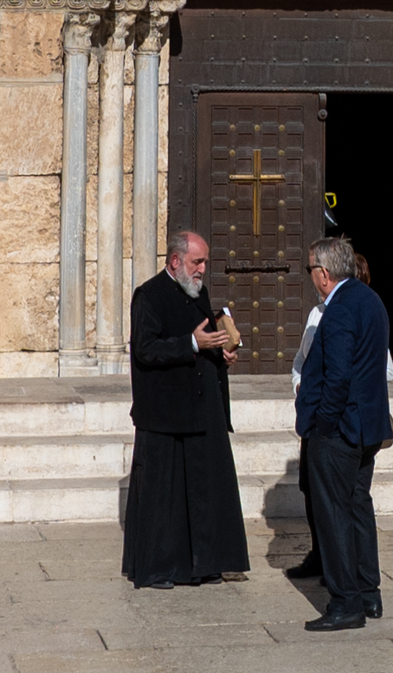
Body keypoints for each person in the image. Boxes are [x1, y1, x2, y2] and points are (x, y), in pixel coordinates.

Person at [123, 228, 249, 589]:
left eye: (205, 262)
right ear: (175, 261)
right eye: (197, 261)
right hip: (166, 413)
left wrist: (220, 350)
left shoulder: (198, 292)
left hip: (202, 409)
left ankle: (206, 564)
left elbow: (204, 338)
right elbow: (146, 349)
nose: (203, 269)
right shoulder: (149, 296)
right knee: (165, 497)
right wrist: (193, 342)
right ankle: (160, 568)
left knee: (205, 490)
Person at [292, 235, 393, 632]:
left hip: (341, 431)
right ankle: (368, 592)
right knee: (356, 507)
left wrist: (323, 426)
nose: (310, 277)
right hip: (367, 428)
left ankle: (345, 602)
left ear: (324, 273)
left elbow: (338, 377)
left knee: (333, 514)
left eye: (310, 270)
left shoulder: (338, 310)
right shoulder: (370, 300)